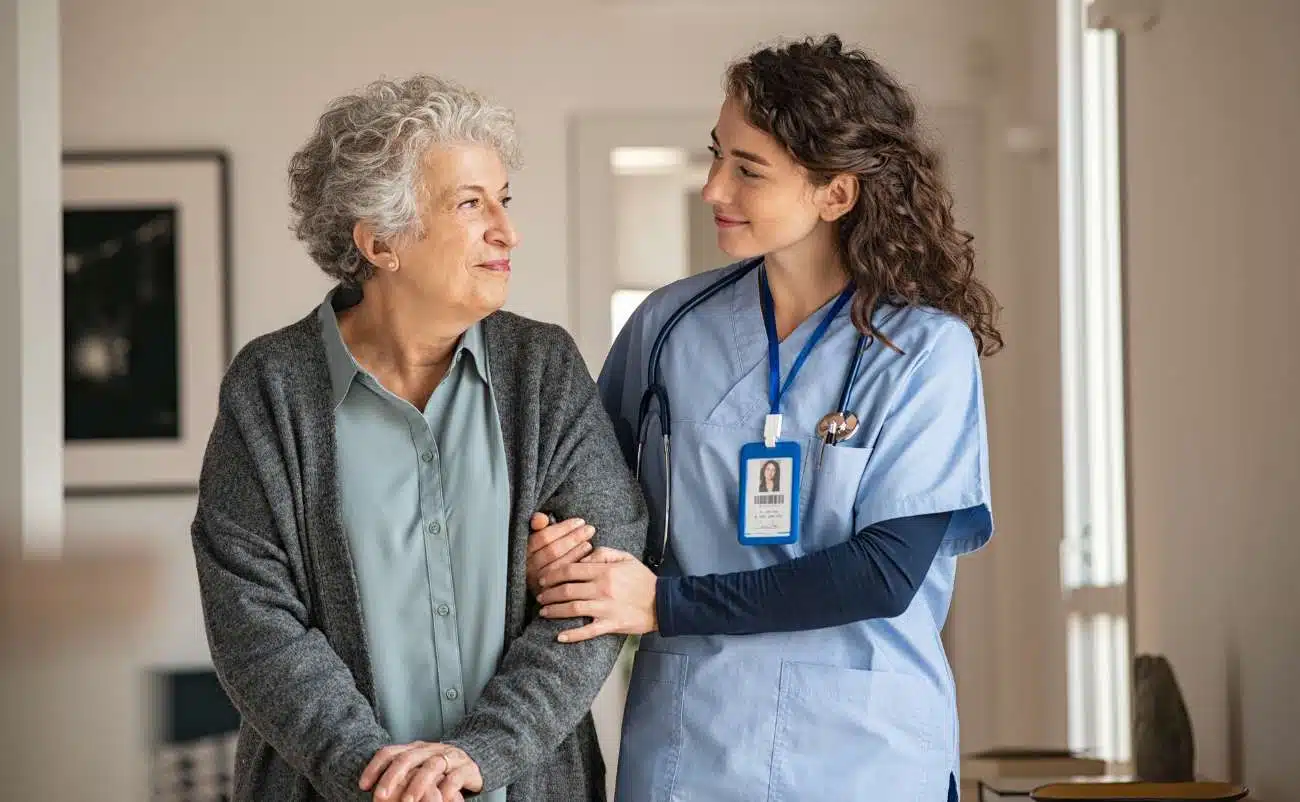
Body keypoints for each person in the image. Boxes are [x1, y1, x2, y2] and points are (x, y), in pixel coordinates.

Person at [526, 35, 1001, 801]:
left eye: (748, 170)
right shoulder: (667, 327)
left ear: (835, 195)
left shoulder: (922, 352)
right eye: (717, 156)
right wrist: (553, 554)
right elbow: (587, 500)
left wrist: (663, 603)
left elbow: (884, 573)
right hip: (692, 748)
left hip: (864, 760)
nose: (713, 188)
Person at [190, 75, 646, 802]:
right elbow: (254, 625)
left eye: (504, 198)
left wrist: (481, 755)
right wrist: (382, 776)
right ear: (379, 241)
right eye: (471, 204)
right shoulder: (270, 389)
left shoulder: (543, 370)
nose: (507, 230)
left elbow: (600, 583)